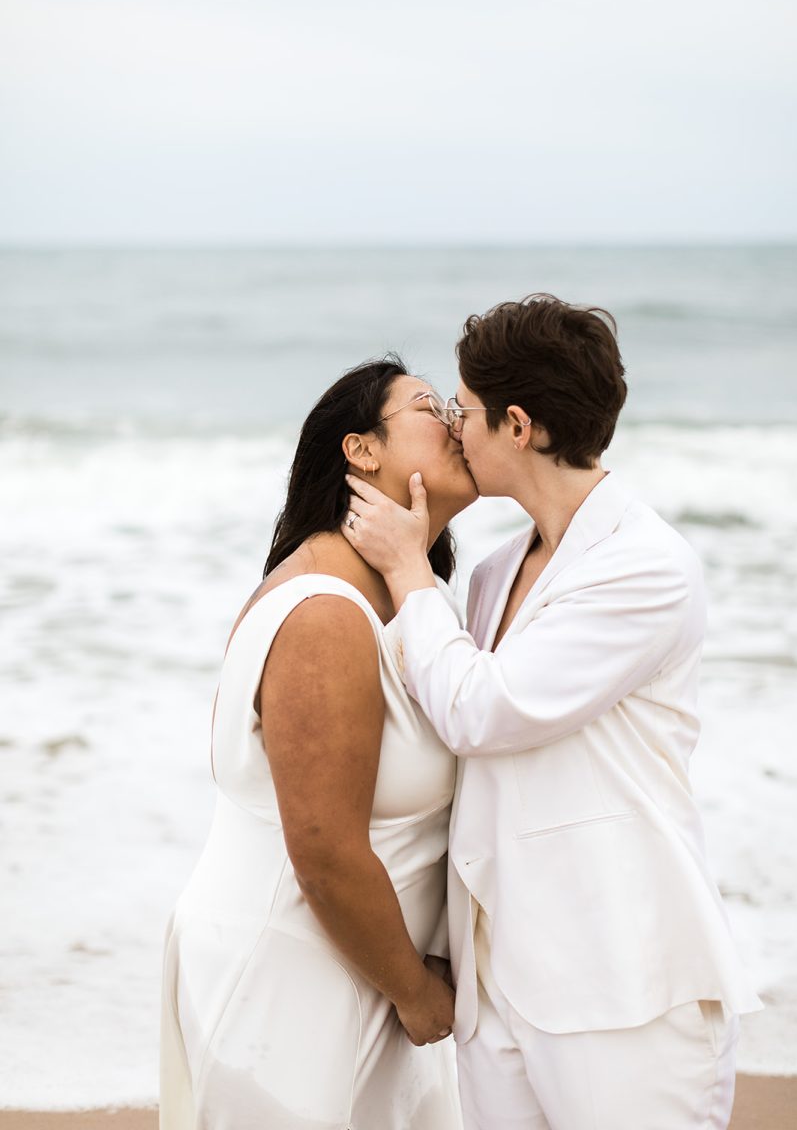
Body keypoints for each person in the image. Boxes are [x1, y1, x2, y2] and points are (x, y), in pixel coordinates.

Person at [343, 295, 762, 1130]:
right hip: (498, 982)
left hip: (622, 986)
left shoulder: (646, 567)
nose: (453, 428)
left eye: (463, 411)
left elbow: (480, 710)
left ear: (519, 425)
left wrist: (407, 572)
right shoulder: (499, 570)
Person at [159, 356, 477, 1130]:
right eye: (430, 406)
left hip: (351, 980)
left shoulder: (397, 601)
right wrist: (417, 992)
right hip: (287, 995)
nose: (457, 421)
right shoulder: (324, 614)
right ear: (361, 450)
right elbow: (323, 847)